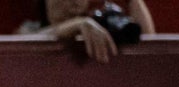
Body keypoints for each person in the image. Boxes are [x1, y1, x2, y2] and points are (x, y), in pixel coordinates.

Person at [20, 0, 156, 64]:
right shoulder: (29, 28)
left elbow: (151, 50)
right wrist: (76, 25)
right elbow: (26, 43)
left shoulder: (100, 26)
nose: (72, 3)